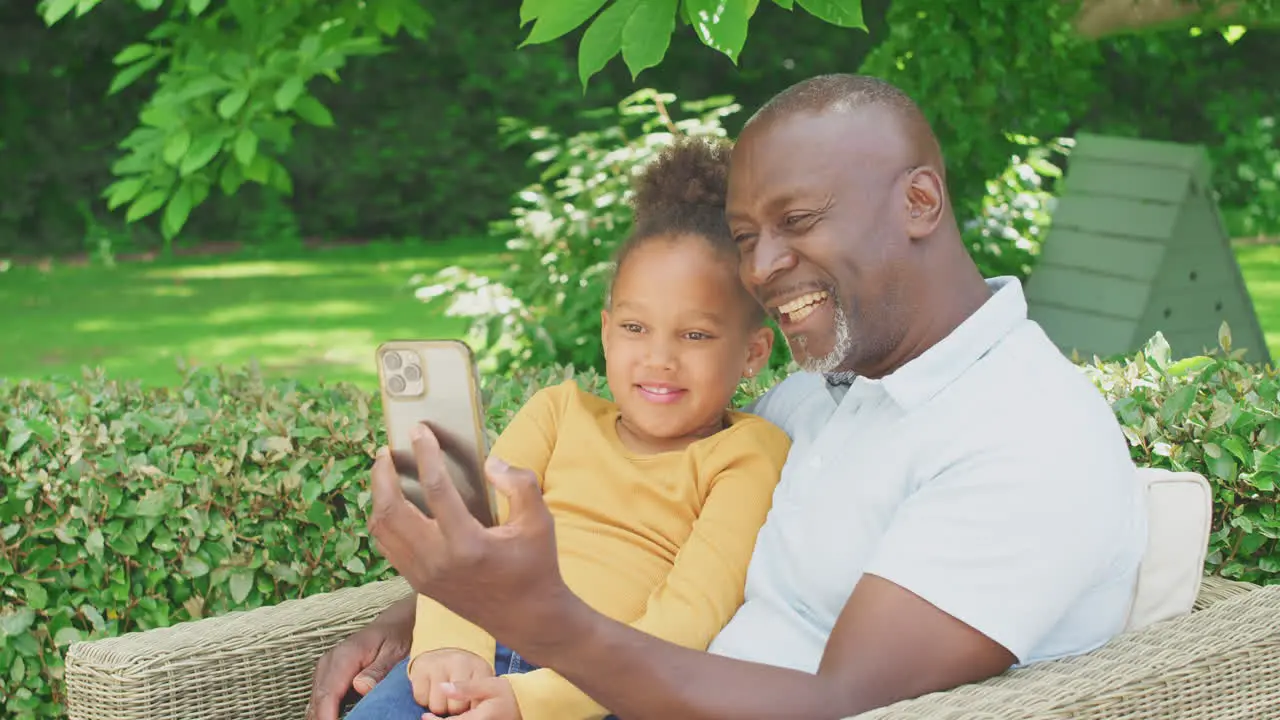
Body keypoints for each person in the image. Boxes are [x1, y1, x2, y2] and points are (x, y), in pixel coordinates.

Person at [310, 73, 1148, 720]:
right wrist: (420, 615)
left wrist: (535, 629)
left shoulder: (1025, 437)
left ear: (919, 201)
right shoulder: (817, 398)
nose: (761, 267)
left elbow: (840, 703)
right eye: (749, 238)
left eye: (798, 220)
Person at [340, 137, 791, 720]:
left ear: (754, 351)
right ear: (605, 332)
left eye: (696, 335)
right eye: (634, 327)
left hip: (596, 689)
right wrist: (450, 646)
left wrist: (529, 702)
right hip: (466, 657)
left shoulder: (747, 454)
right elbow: (466, 538)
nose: (659, 358)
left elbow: (686, 623)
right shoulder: (556, 413)